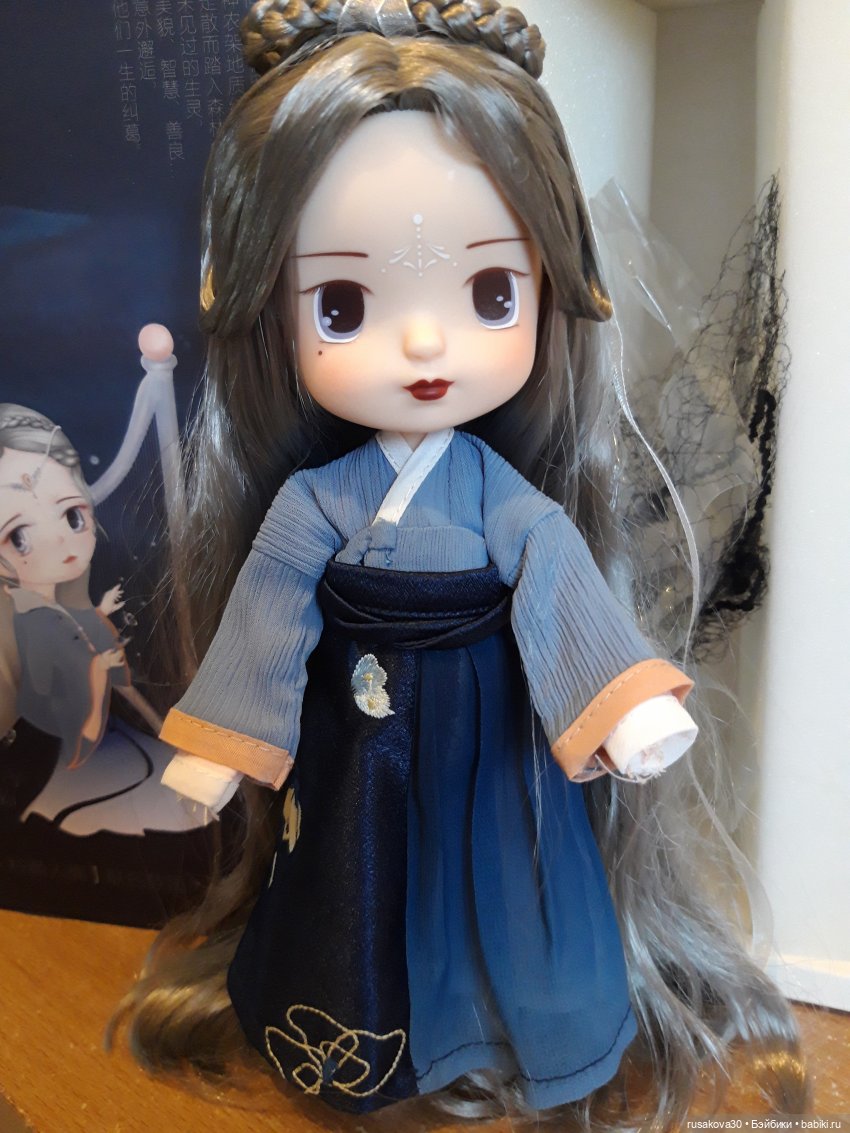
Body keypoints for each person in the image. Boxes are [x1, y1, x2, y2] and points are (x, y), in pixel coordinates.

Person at [116, 1, 807, 1124]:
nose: (426, 343)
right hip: (357, 743)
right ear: (273, 309)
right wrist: (223, 742)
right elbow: (270, 612)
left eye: (490, 294)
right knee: (359, 892)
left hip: (494, 738)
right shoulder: (317, 501)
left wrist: (621, 704)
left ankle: (500, 1036)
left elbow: (561, 584)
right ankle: (360, 1039)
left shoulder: (505, 501)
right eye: (344, 304)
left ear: (548, 288)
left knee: (499, 891)